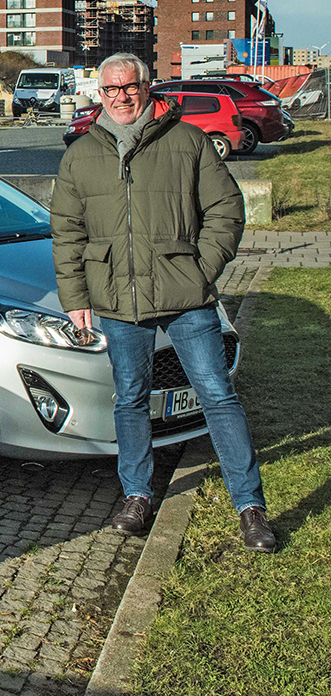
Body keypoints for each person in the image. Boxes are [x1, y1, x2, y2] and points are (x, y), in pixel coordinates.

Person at [51, 52, 275, 552]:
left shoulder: (186, 141)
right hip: (116, 300)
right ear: (100, 95)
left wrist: (201, 269)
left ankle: (250, 506)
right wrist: (75, 297)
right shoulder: (81, 154)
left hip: (184, 296)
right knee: (130, 399)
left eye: (128, 87)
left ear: (147, 86)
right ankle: (136, 495)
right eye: (109, 90)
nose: (120, 97)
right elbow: (66, 233)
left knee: (217, 394)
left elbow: (225, 210)